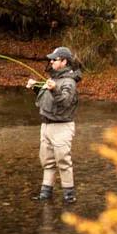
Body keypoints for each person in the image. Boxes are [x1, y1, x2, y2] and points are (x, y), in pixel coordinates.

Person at [25, 46, 82, 203]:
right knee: (47, 161)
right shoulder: (55, 78)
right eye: (51, 59)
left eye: (54, 59)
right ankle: (45, 194)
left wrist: (55, 89)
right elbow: (49, 98)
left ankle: (69, 196)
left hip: (61, 127)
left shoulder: (69, 82)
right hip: (46, 126)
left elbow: (64, 102)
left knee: (63, 162)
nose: (51, 61)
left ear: (64, 62)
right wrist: (36, 87)